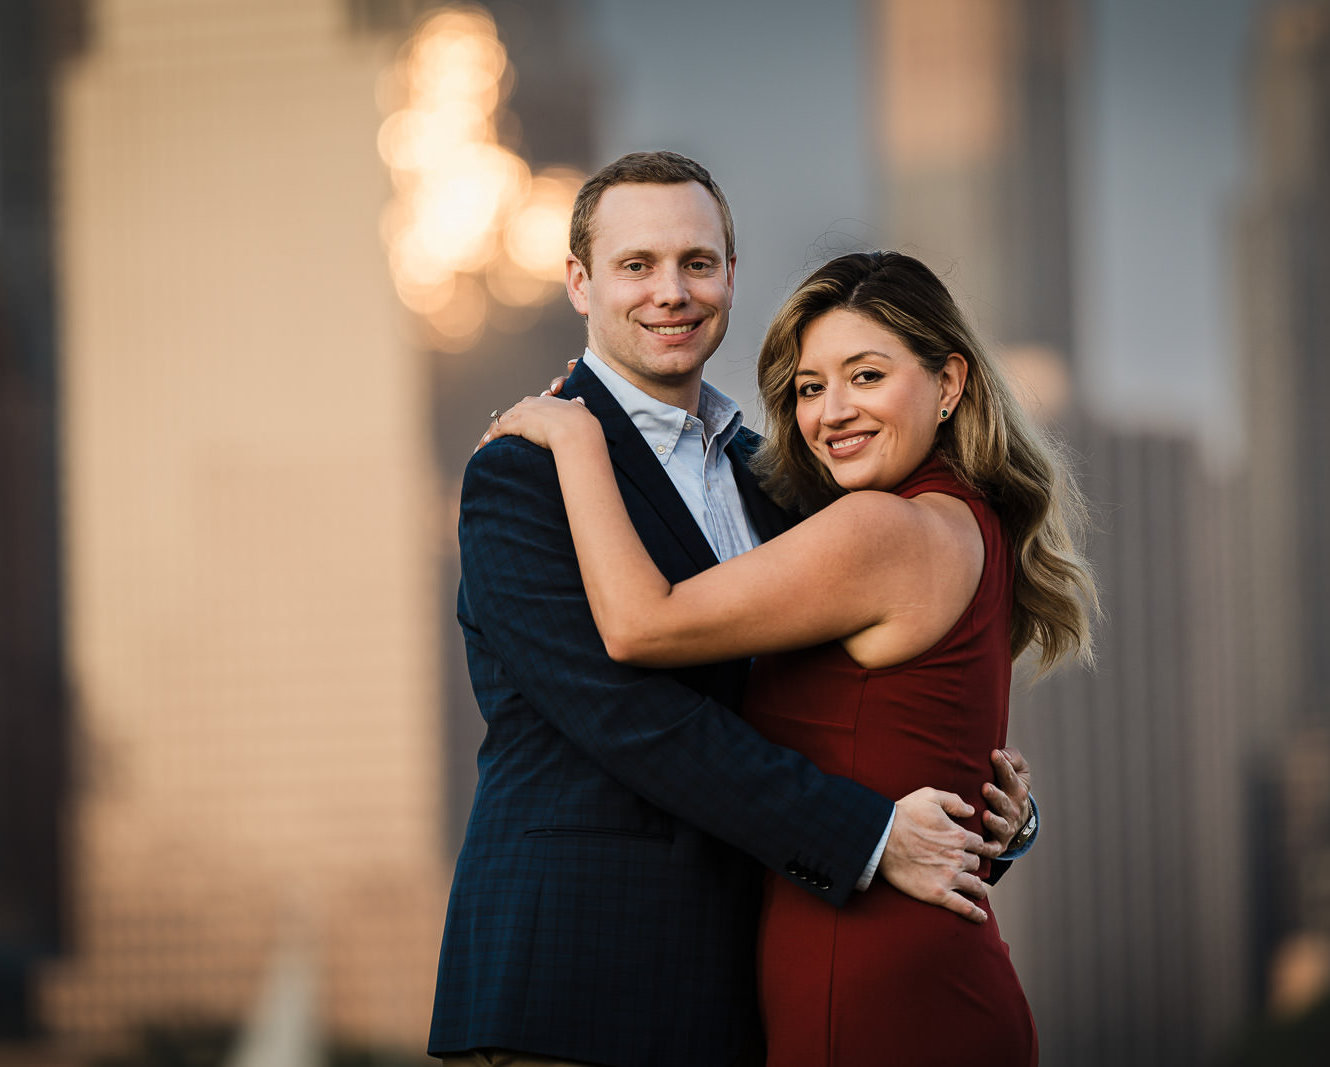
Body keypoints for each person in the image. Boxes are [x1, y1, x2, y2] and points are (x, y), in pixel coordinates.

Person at [428, 152, 1042, 1067]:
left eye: (697, 263)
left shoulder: (789, 480)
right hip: (578, 987)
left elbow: (863, 696)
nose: (670, 292)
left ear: (729, 278)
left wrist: (996, 814)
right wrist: (869, 835)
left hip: (749, 992)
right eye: (637, 265)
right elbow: (626, 714)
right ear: (579, 282)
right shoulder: (523, 472)